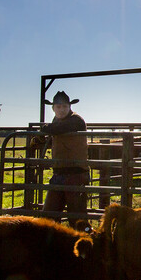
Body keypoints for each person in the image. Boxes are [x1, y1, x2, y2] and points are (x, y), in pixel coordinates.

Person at [38, 91, 90, 231]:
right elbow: (56, 131)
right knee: (48, 216)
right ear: (53, 108)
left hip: (76, 174)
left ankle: (87, 243)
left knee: (77, 218)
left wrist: (45, 129)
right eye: (58, 107)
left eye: (64, 107)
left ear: (70, 107)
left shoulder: (76, 120)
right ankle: (53, 245)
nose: (61, 110)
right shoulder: (56, 122)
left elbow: (61, 128)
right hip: (58, 174)